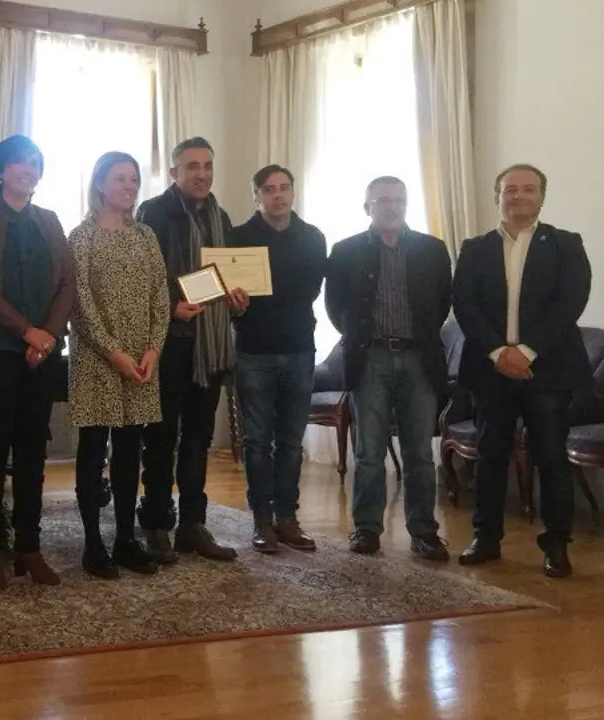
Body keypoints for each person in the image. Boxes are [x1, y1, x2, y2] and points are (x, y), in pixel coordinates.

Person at [452, 164, 591, 578]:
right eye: (510, 190)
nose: (518, 196)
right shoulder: (475, 248)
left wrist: (526, 352)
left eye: (528, 189)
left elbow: (570, 304)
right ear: (498, 196)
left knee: (551, 459)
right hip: (490, 370)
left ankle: (556, 545)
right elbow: (465, 305)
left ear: (542, 197)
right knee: (490, 455)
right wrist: (499, 352)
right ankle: (486, 538)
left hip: (547, 371)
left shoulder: (566, 245)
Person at [0, 134, 76, 590]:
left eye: (34, 163)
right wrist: (26, 331)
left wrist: (45, 336)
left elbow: (68, 281)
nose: (27, 169)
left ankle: (29, 547)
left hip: (42, 354)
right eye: (19, 163)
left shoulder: (49, 220)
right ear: (0, 172)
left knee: (33, 452)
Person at [325, 176, 450, 561]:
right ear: (367, 207)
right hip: (371, 358)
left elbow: (443, 302)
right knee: (368, 451)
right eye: (382, 201)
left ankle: (423, 531)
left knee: (420, 454)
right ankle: (366, 529)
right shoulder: (345, 251)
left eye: (398, 200)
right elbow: (336, 306)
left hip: (419, 359)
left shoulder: (432, 249)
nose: (391, 207)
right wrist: (359, 336)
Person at [135, 137, 243, 564]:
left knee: (198, 440)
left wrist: (238, 298)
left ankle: (193, 526)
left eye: (208, 165)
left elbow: (229, 276)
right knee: (160, 439)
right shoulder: (153, 213)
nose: (202, 173)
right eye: (192, 165)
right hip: (169, 344)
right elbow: (143, 275)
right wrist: (169, 305)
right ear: (175, 172)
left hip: (210, 346)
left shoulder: (221, 216)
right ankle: (157, 525)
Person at [69, 151, 169, 578]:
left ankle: (126, 538)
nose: (129, 187)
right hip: (98, 359)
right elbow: (80, 304)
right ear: (99, 184)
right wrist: (113, 352)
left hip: (142, 361)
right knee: (94, 451)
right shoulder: (82, 237)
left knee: (131, 450)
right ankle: (94, 545)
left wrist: (152, 349)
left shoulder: (146, 236)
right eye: (120, 179)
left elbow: (161, 295)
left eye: (134, 180)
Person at [230, 165, 326, 553]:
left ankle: (288, 517)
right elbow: (229, 298)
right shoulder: (237, 239)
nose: (278, 195)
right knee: (256, 441)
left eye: (284, 188)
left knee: (290, 441)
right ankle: (262, 521)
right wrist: (235, 304)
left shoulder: (313, 237)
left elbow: (311, 290)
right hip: (254, 350)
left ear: (293, 192)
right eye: (268, 189)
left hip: (300, 348)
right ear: (256, 196)